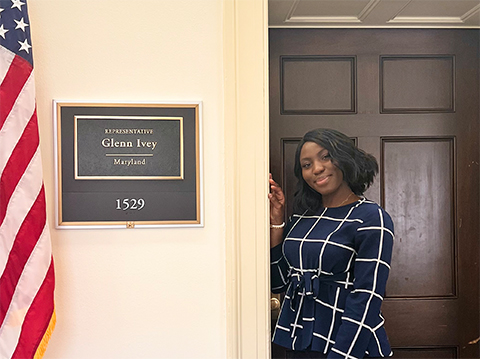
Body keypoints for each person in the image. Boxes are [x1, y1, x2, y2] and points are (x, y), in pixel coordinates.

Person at [269, 128, 394, 359]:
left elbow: (367, 297)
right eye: (306, 165)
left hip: (349, 347)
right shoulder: (301, 218)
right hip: (301, 343)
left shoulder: (370, 217)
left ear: (344, 158)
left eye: (325, 156)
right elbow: (280, 283)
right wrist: (277, 223)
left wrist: (341, 354)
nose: (316, 168)